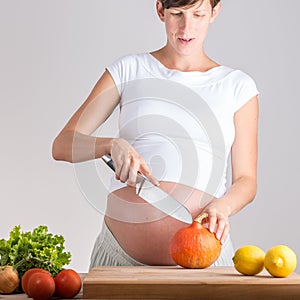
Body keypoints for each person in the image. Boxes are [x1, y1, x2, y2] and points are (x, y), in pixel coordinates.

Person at [52, 0, 259, 268]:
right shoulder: (129, 70)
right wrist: (110, 145)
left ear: (214, 12)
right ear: (160, 10)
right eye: (177, 14)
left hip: (206, 260)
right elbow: (62, 145)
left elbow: (246, 180)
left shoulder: (237, 86)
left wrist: (223, 207)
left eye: (198, 14)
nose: (187, 27)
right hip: (119, 259)